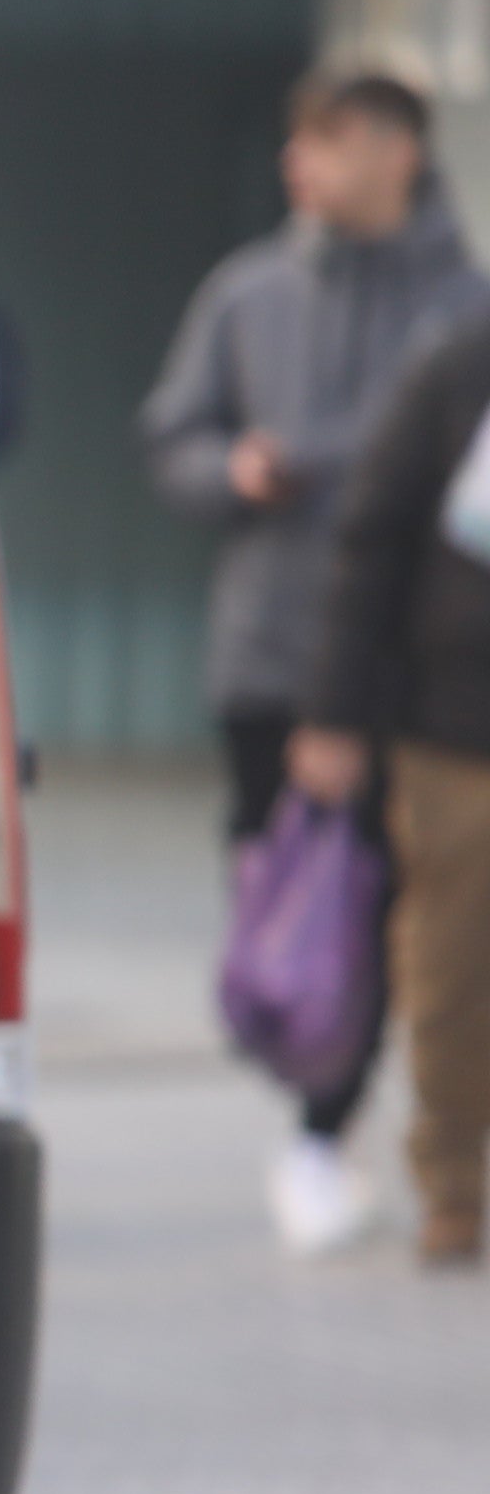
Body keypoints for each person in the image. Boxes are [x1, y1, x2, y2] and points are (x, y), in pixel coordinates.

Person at [145, 65, 490, 1252]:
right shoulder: (247, 294)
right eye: (298, 144)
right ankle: (321, 1117)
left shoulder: (463, 311)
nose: (305, 165)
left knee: (408, 914)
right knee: (300, 896)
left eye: (331, 141)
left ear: (401, 149)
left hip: (421, 679)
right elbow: (172, 438)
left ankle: (348, 1133)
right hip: (273, 649)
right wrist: (227, 471)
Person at [292, 290, 490, 1262]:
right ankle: (453, 1181)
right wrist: (334, 709)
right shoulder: (457, 364)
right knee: (453, 968)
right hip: (457, 728)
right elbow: (368, 539)